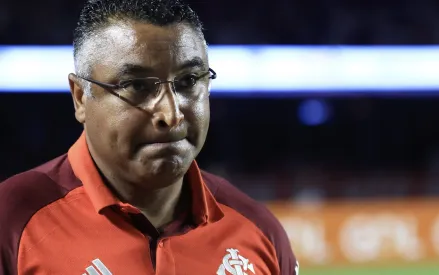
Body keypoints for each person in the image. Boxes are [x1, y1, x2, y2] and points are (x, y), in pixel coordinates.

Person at [0, 0, 298, 274]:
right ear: (80, 97)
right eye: (138, 86)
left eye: (189, 81)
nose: (171, 114)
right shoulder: (11, 222)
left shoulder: (259, 232)